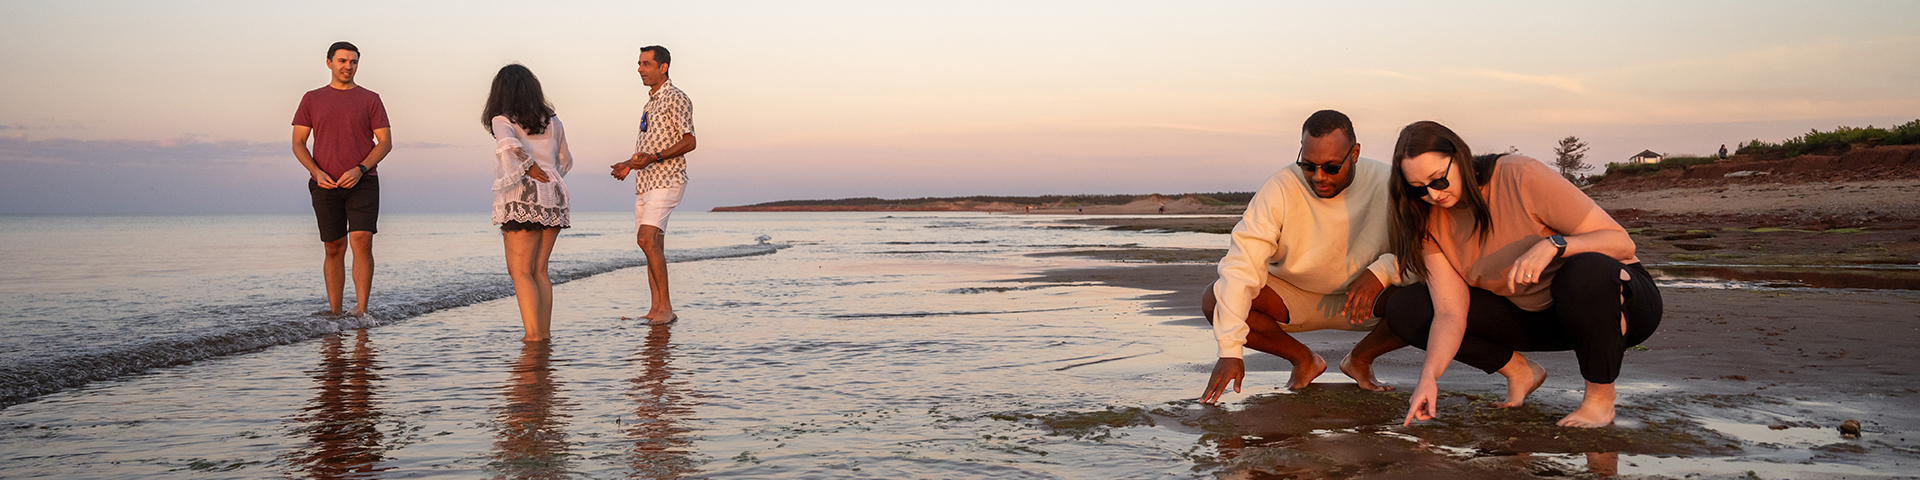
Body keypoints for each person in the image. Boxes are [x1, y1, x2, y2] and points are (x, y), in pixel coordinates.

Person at [1379, 121, 1661, 428]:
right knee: (1408, 308)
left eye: (1438, 181)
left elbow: (1621, 243)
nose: (1433, 195)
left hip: (1616, 301)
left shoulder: (1520, 175)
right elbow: (1450, 312)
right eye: (1418, 189)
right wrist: (1429, 378)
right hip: (1539, 315)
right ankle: (1521, 372)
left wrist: (1555, 245)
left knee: (1586, 272)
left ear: (1459, 157)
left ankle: (1599, 400)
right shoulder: (1426, 222)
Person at [1199, 110, 1412, 403]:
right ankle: (1304, 360)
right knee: (1215, 299)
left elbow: (1427, 253)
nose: (1319, 176)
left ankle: (1360, 359)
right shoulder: (1281, 187)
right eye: (1308, 165)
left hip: (1365, 299)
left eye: (1331, 167)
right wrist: (1230, 351)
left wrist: (1383, 271)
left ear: (1355, 153)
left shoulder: (1389, 184)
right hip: (1293, 297)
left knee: (1427, 300)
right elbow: (1241, 265)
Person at [292, 41, 392, 316]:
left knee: (362, 240)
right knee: (334, 247)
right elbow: (298, 143)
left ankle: (361, 311)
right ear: (329, 63)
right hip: (325, 183)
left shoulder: (370, 99)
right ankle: (335, 314)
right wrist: (316, 172)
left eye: (354, 62)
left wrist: (360, 169)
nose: (348, 66)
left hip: (363, 180)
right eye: (343, 61)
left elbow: (385, 142)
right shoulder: (311, 99)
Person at [484, 64, 573, 342]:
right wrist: (545, 175)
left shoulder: (502, 119)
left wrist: (528, 167)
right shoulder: (554, 121)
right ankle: (543, 333)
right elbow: (565, 160)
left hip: (525, 195)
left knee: (520, 271)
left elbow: (507, 145)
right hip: (555, 195)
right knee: (540, 270)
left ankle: (532, 335)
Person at [610, 45, 697, 326]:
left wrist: (655, 158)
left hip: (668, 178)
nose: (639, 69)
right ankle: (655, 308)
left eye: (646, 64)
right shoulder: (649, 103)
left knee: (646, 239)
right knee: (651, 244)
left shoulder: (676, 97)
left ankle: (667, 308)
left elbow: (689, 141)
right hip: (645, 182)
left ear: (664, 67)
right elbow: (649, 147)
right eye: (639, 63)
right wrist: (628, 163)